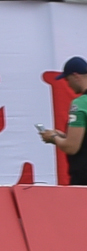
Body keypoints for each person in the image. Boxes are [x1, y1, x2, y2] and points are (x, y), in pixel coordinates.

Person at [39, 56, 87, 186]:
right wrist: (65, 137)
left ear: (76, 76)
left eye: (67, 79)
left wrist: (53, 138)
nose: (68, 84)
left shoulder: (80, 104)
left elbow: (71, 147)